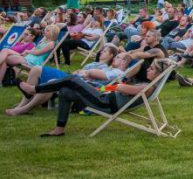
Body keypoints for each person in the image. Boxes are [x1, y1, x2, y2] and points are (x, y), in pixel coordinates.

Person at [22, 59, 171, 137]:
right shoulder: (148, 84)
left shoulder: (148, 87)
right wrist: (105, 88)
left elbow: (122, 88)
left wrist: (119, 87)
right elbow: (121, 89)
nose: (148, 69)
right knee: (66, 91)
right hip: (105, 98)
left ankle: (34, 89)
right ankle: (59, 129)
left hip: (105, 103)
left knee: (73, 79)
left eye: (151, 68)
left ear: (158, 74)